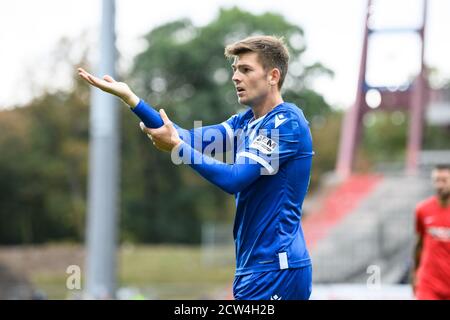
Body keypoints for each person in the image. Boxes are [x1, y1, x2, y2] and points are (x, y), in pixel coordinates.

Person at [78, 35, 314, 300]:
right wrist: (132, 100)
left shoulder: (285, 123)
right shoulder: (245, 122)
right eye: (235, 69)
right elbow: (186, 136)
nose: (236, 77)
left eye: (246, 69)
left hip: (277, 268)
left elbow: (234, 178)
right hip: (255, 269)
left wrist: (178, 148)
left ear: (273, 76)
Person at [413, 164, 450, 300]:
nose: (439, 185)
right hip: (429, 285)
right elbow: (419, 244)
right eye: (437, 180)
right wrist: (415, 274)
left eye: (444, 180)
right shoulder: (423, 210)